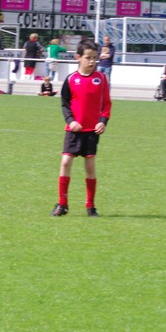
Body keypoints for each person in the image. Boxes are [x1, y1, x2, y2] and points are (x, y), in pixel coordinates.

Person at [51, 38, 111, 218]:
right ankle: (62, 204)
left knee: (90, 167)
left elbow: (107, 104)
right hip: (74, 130)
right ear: (78, 58)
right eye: (88, 58)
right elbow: (65, 104)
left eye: (94, 58)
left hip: (91, 131)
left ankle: (90, 206)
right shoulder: (71, 79)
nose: (92, 61)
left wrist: (103, 121)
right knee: (65, 162)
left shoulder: (101, 79)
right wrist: (71, 121)